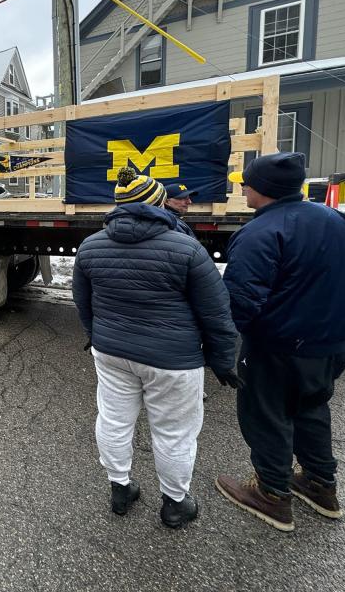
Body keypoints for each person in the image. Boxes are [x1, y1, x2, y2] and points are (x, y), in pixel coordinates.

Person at [72, 167, 240, 528]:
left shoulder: (90, 246)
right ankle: (176, 504)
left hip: (111, 352)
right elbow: (216, 313)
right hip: (173, 361)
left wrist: (95, 335)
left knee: (114, 421)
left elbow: (83, 304)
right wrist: (223, 360)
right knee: (174, 432)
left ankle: (120, 489)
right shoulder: (186, 248)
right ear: (157, 203)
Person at [216, 153, 345, 532]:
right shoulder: (341, 222)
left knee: (266, 413)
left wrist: (220, 349)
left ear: (262, 189)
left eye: (245, 182)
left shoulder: (260, 233)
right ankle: (320, 483)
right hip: (333, 343)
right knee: (311, 409)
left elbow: (240, 301)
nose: (242, 187)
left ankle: (272, 493)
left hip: (279, 346)